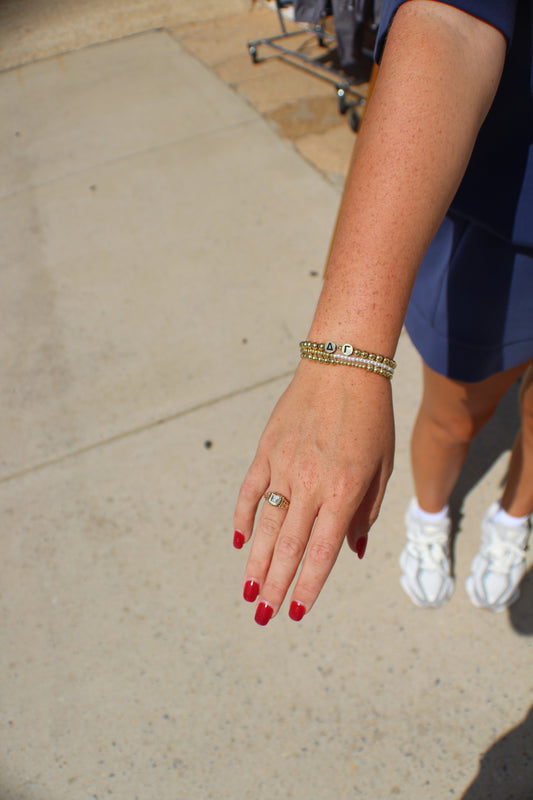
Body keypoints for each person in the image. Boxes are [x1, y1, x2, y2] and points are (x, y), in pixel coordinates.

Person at [233, 0, 533, 625]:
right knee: (455, 412)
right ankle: (431, 512)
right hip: (509, 216)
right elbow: (450, 19)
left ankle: (514, 516)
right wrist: (345, 359)